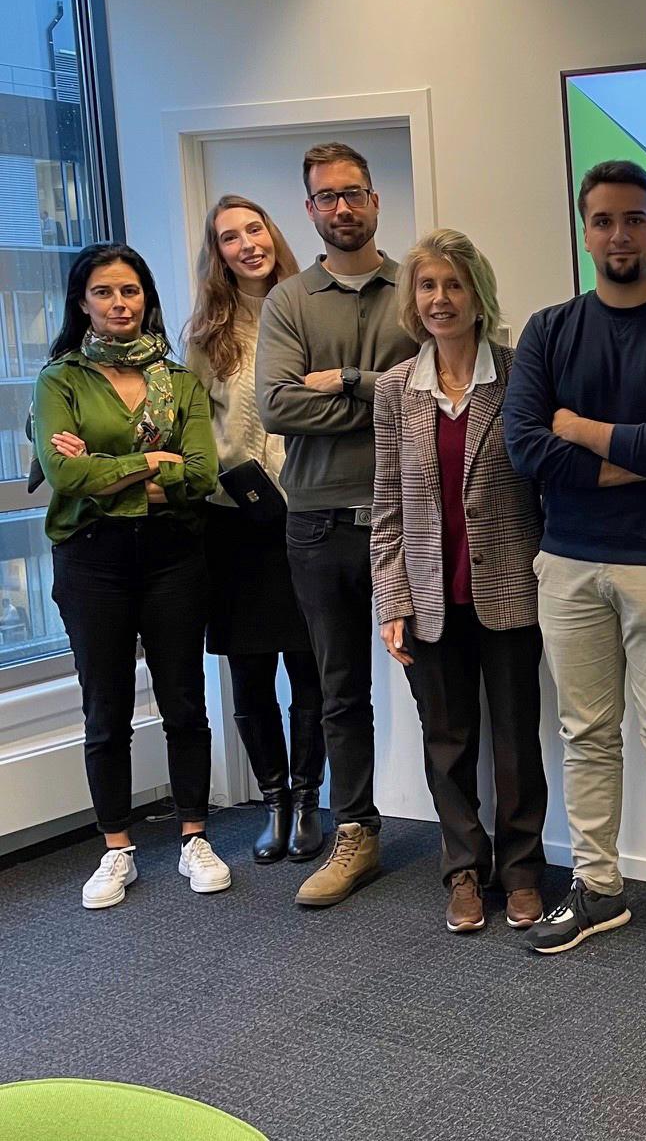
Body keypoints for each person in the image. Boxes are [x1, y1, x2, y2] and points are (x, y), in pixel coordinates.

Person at [504, 159, 646, 973]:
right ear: (585, 229)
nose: (619, 234)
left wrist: (582, 428)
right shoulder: (549, 330)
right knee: (585, 733)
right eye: (603, 220)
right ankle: (599, 888)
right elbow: (526, 446)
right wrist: (643, 448)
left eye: (634, 219)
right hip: (567, 562)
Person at [34, 243, 228, 908]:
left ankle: (195, 838)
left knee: (183, 700)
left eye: (130, 291)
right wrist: (153, 462)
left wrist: (106, 467)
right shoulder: (60, 379)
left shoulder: (181, 380)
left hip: (174, 551)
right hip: (92, 558)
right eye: (104, 293)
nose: (120, 304)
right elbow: (62, 475)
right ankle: (116, 848)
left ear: (147, 297)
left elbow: (202, 474)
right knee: (105, 706)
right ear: (82, 302)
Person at [371, 230, 549, 934]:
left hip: (510, 591)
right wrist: (393, 599)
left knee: (515, 739)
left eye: (453, 285)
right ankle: (464, 871)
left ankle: (524, 871)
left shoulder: (516, 377)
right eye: (427, 286)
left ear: (478, 295)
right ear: (413, 301)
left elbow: (542, 486)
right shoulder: (394, 390)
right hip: (428, 596)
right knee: (446, 741)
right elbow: (387, 503)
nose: (440, 299)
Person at [255, 142, 414, 907]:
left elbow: (436, 393)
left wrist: (349, 383)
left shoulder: (418, 288)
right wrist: (389, 398)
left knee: (440, 687)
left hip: (410, 514)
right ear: (310, 210)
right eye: (326, 197)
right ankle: (355, 834)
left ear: (376, 200)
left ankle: (465, 841)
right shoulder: (289, 301)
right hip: (318, 523)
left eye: (353, 194)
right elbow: (278, 406)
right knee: (339, 689)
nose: (342, 208)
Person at [183, 195, 326, 865]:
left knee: (311, 670)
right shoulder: (206, 338)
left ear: (274, 234)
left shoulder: (308, 311)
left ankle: (308, 800)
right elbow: (197, 439)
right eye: (230, 237)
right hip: (235, 524)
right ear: (219, 255)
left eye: (255, 229)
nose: (246, 244)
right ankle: (275, 801)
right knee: (249, 673)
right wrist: (240, 479)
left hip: (306, 516)